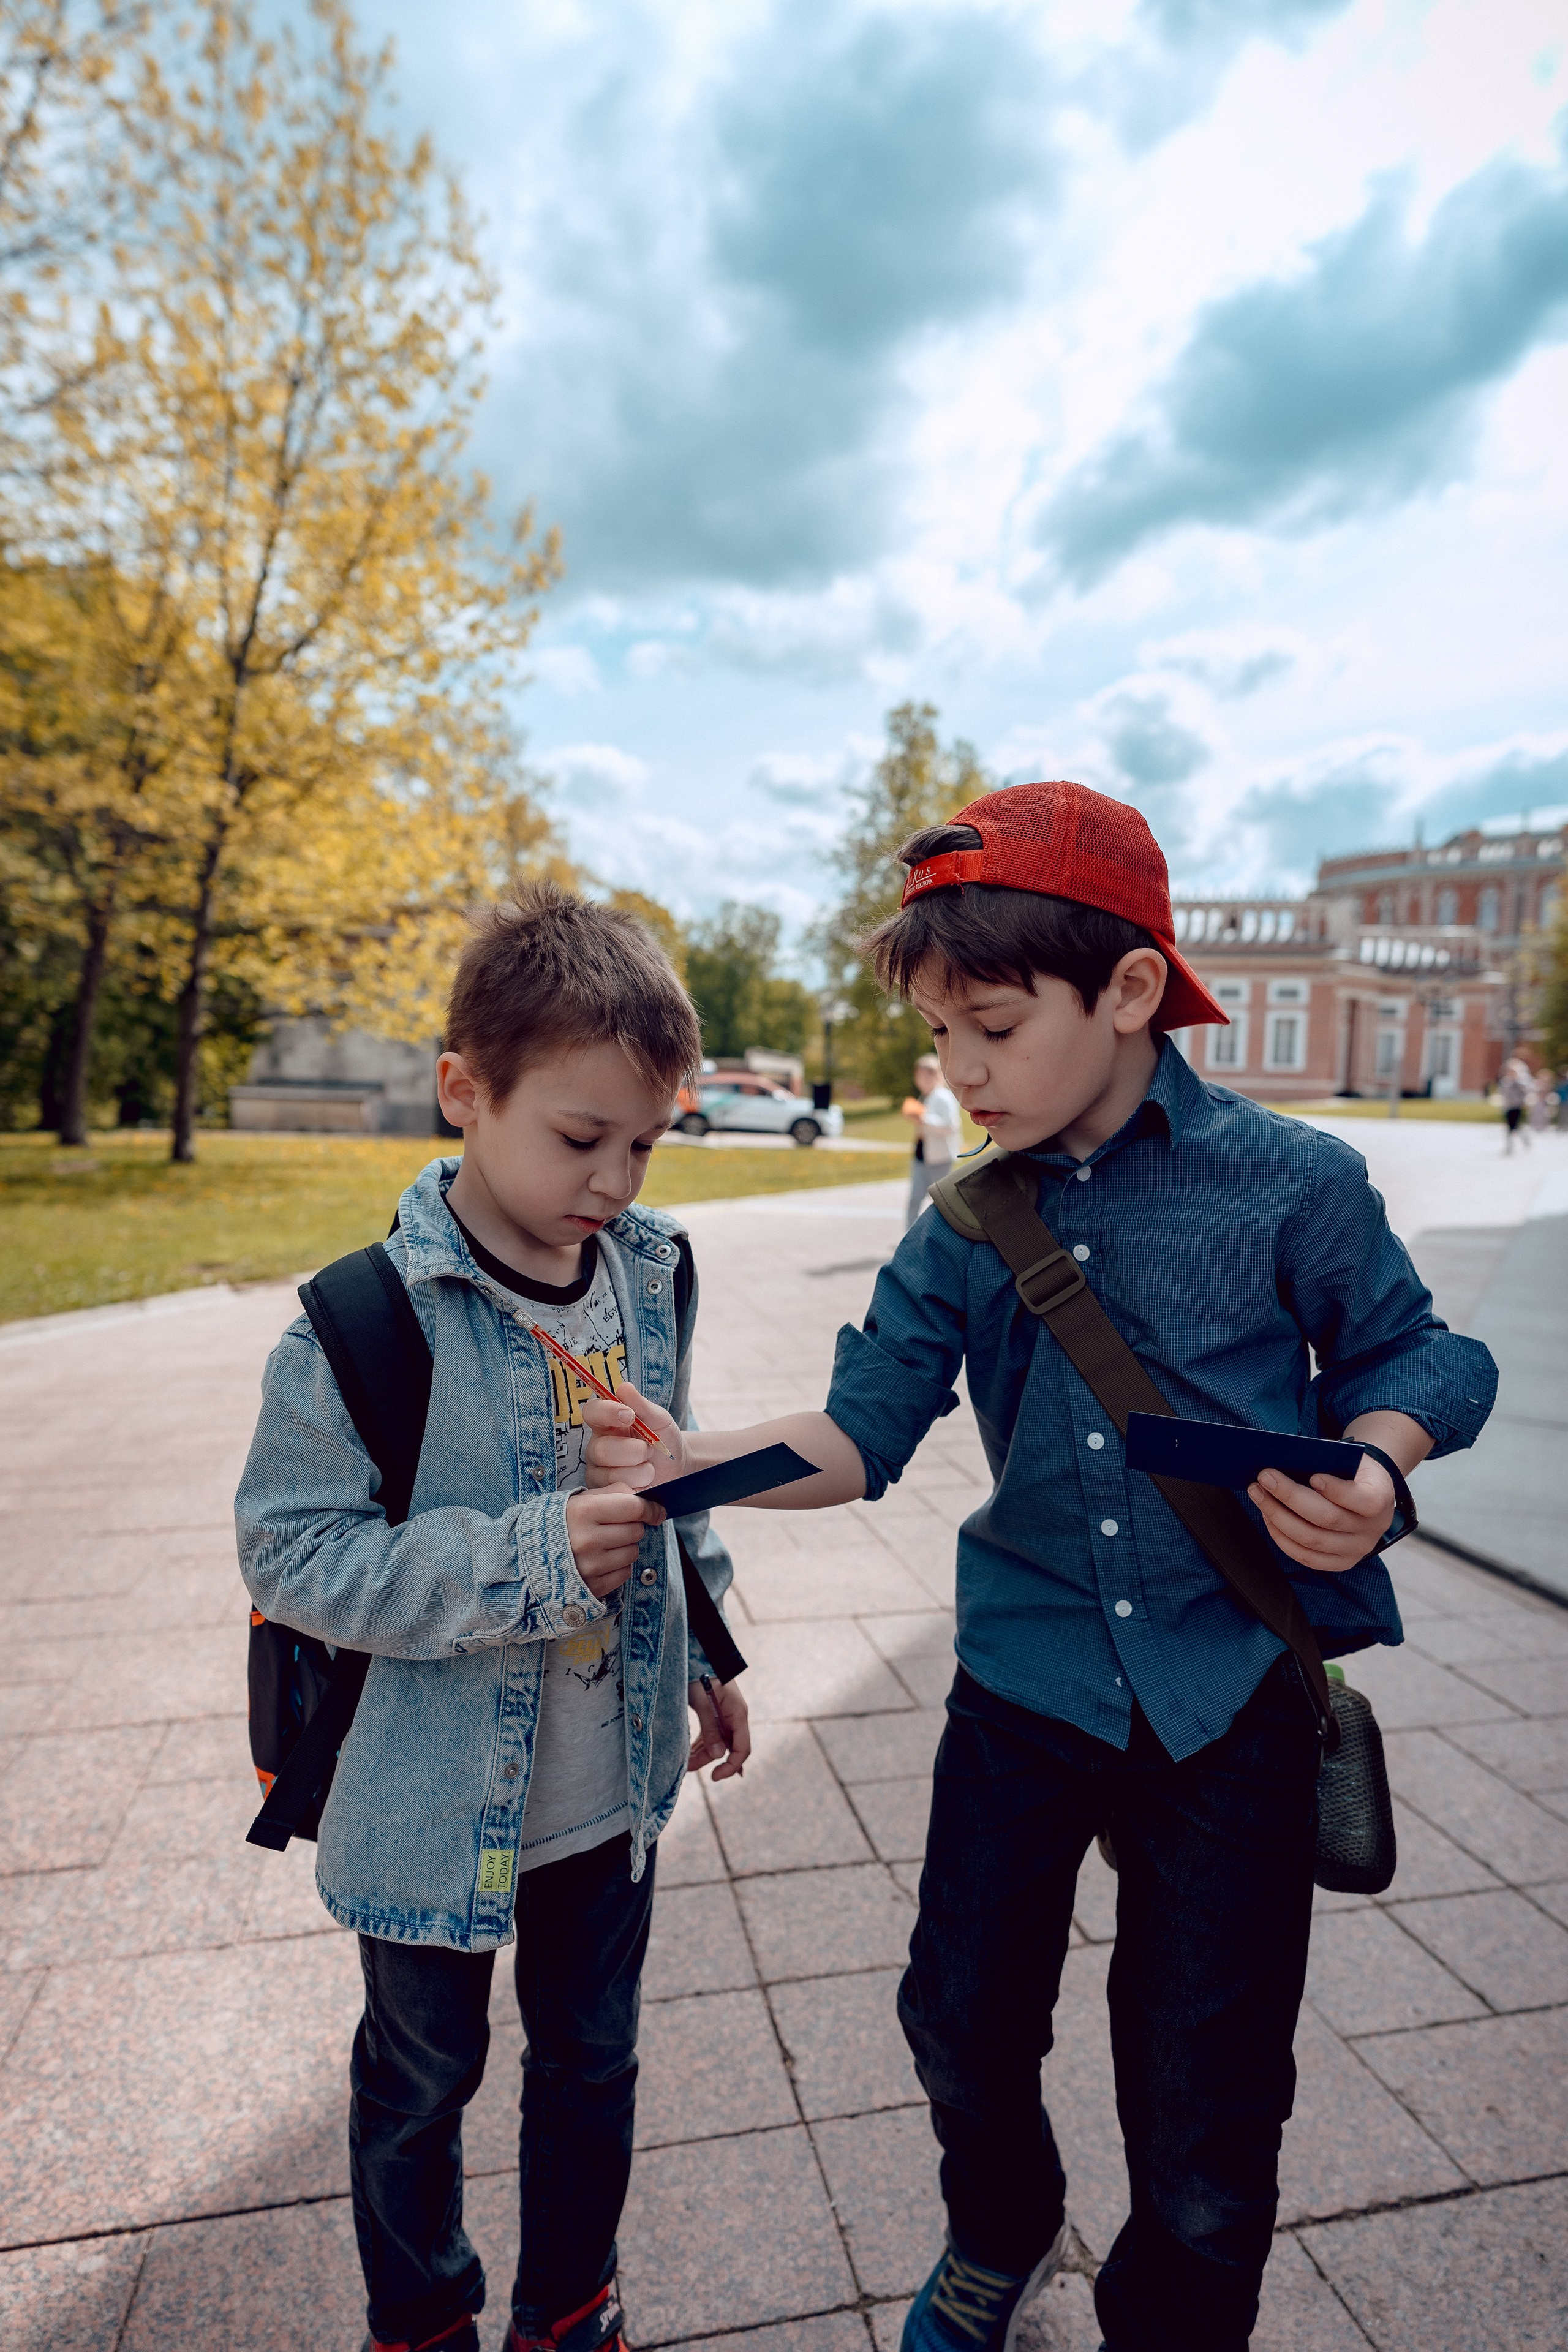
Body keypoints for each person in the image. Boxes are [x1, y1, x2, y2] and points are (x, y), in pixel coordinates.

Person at [581, 782, 1497, 2352]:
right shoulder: (965, 1217)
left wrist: (1380, 1461)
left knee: (1208, 2102)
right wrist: (688, 1469)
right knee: (957, 2016)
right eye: (943, 1038)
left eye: (992, 1028)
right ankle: (998, 2227)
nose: (960, 1072)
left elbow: (1427, 1353)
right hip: (1023, 1682)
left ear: (1129, 989)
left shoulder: (1291, 1179)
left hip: (1232, 1698)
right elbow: (862, 1429)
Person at [235, 880, 749, 2352]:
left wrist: (707, 1637)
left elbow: (678, 1473)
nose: (615, 1179)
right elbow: (293, 1553)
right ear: (464, 1090)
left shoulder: (651, 1275)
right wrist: (530, 1553)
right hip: (426, 1788)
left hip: (610, 1789)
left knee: (592, 2059)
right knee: (417, 2078)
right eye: (580, 1137)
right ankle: (419, 2314)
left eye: (645, 1142)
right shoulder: (359, 1320)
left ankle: (568, 2301)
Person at [902, 1050, 965, 1226]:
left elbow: (951, 1126)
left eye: (926, 1076)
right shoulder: (924, 1097)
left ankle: (947, 1235)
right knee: (915, 1199)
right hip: (922, 1156)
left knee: (941, 1202)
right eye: (919, 1077)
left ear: (936, 1076)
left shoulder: (943, 1097)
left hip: (940, 1158)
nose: (922, 1081)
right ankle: (910, 1236)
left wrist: (923, 1119)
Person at [1499, 1058, 1531, 1152]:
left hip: (1517, 1107)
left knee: (1515, 1126)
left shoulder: (1520, 1083)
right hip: (1509, 1106)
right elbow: (1504, 1093)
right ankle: (1511, 1145)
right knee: (1512, 1127)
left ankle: (1518, 1142)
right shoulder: (1506, 1082)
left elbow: (1524, 1093)